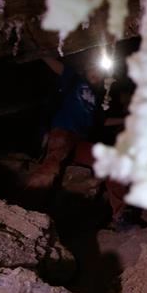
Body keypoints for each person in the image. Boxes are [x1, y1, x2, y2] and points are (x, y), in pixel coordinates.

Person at [26, 56, 129, 225]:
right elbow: (56, 65)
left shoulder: (96, 99)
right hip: (62, 131)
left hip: (79, 141)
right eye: (93, 69)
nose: (97, 74)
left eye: (100, 73)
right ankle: (25, 211)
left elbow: (101, 121)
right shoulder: (75, 79)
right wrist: (42, 53)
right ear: (86, 69)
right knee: (51, 165)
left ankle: (121, 217)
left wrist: (126, 120)